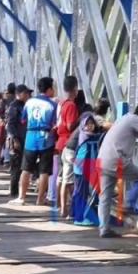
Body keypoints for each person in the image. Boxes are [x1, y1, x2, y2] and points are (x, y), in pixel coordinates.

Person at [96, 103, 138, 238]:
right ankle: (128, 204)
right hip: (117, 161)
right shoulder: (135, 119)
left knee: (105, 197)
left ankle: (104, 229)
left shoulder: (125, 118)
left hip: (103, 160)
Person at [12, 77, 58, 206]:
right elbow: (54, 123)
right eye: (52, 88)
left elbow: (23, 120)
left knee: (26, 168)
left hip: (30, 137)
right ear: (49, 89)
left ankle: (21, 197)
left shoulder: (29, 102)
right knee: (44, 171)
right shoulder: (53, 104)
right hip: (46, 138)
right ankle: (40, 199)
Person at [70, 113, 104, 226]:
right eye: (87, 124)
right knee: (81, 194)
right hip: (82, 168)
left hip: (81, 167)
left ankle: (74, 214)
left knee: (78, 192)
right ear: (82, 125)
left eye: (91, 124)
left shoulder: (85, 134)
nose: (89, 126)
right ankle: (79, 219)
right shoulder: (86, 135)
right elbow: (98, 136)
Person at [56, 76, 81, 218]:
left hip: (61, 142)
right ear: (75, 89)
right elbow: (70, 125)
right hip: (68, 142)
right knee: (68, 178)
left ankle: (60, 205)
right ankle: (67, 209)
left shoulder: (62, 103)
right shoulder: (71, 105)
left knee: (61, 177)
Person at [5, 85, 30, 198]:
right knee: (16, 166)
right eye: (26, 93)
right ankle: (14, 191)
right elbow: (10, 124)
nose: (28, 95)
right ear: (19, 94)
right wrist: (14, 139)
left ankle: (18, 190)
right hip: (17, 140)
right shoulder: (15, 106)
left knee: (21, 166)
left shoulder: (24, 105)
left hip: (23, 139)